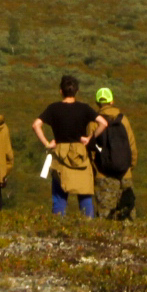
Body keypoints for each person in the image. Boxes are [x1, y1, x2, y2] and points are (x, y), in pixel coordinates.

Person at [32, 74, 101, 217]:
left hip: (60, 153)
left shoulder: (53, 108)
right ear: (77, 91)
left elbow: (36, 125)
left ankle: (58, 226)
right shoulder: (84, 108)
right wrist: (89, 138)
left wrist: (47, 143)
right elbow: (103, 123)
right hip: (80, 154)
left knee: (59, 196)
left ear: (61, 91)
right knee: (85, 195)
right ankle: (89, 229)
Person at [88, 87, 137, 221]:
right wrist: (129, 167)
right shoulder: (123, 120)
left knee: (105, 217)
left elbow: (91, 150)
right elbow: (132, 147)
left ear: (98, 103)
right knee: (127, 215)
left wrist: (96, 170)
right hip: (124, 173)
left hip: (103, 175)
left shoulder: (94, 122)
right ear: (112, 101)